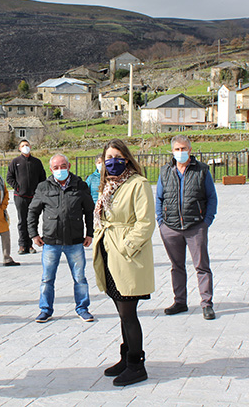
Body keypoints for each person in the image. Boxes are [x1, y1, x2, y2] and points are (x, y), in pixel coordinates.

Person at [93, 139, 155, 387]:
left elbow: (146, 222)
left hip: (127, 255)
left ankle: (136, 365)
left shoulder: (138, 183)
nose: (113, 161)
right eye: (109, 157)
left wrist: (128, 246)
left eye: (118, 156)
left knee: (129, 313)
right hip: (110, 253)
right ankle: (125, 357)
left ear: (127, 158)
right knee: (121, 312)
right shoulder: (108, 185)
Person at [156, 135, 218, 321]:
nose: (180, 152)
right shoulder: (165, 171)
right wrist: (161, 222)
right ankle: (180, 301)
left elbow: (212, 197)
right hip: (171, 227)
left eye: (183, 149)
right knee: (177, 266)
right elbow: (159, 197)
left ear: (190, 150)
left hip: (195, 226)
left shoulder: (202, 171)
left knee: (202, 266)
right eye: (177, 149)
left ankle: (206, 304)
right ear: (172, 151)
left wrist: (206, 221)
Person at [28, 153, 95, 323]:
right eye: (56, 167)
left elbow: (89, 211)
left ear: (69, 166)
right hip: (51, 242)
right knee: (47, 278)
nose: (60, 170)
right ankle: (45, 310)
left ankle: (82, 308)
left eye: (63, 166)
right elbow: (33, 212)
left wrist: (90, 233)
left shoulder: (80, 185)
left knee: (80, 278)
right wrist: (33, 234)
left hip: (75, 241)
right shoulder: (43, 187)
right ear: (51, 169)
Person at [6, 139, 46, 255]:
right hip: (20, 196)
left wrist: (39, 191)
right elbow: (9, 177)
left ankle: (31, 244)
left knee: (33, 220)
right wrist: (17, 188)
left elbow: (42, 178)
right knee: (22, 221)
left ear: (30, 146)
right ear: (19, 148)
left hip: (34, 197)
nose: (25, 147)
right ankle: (23, 245)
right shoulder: (15, 162)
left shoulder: (37, 162)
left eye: (27, 145)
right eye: (23, 145)